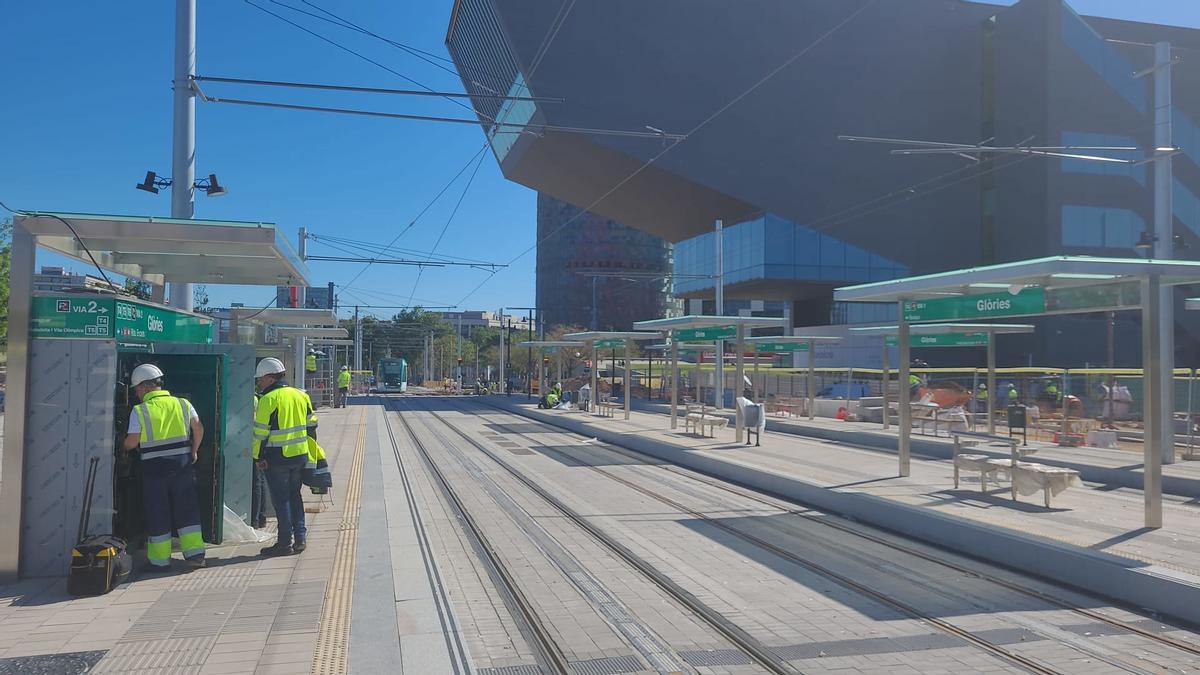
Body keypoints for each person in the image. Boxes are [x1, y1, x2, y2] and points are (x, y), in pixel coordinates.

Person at [122, 363, 206, 572]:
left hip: (154, 469)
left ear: (143, 387)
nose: (137, 394)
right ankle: (195, 556)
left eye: (137, 390)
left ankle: (160, 561)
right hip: (182, 464)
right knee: (187, 509)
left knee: (158, 511)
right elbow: (198, 427)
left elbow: (132, 442)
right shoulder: (183, 404)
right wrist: (193, 450)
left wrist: (121, 446)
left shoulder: (140, 410)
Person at [254, 357, 318, 557]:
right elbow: (312, 426)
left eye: (260, 379)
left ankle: (284, 543)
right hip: (299, 455)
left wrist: (258, 457)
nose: (259, 382)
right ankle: (300, 538)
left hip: (277, 458)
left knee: (281, 500)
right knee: (295, 496)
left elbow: (260, 434)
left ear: (270, 378)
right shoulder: (300, 395)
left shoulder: (268, 399)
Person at [250, 393, 267, 529]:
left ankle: (256, 519)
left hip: (254, 447)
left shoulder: (252, 399)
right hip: (258, 447)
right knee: (260, 482)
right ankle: (261, 517)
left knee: (257, 483)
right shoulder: (257, 399)